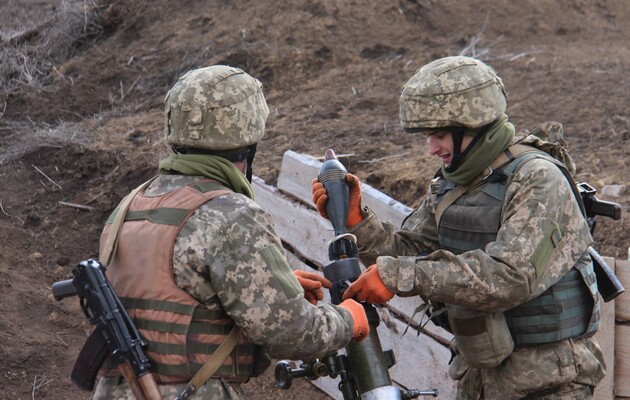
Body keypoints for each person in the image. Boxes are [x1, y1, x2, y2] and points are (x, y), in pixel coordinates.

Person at [311, 56, 606, 399]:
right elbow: (409, 251)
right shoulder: (457, 182)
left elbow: (509, 276)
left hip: (548, 382)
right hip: (478, 378)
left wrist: (398, 276)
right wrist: (357, 222)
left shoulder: (538, 179)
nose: (432, 148)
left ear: (473, 127)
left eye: (439, 136)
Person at [92, 65, 368, 399]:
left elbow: (171, 298)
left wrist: (270, 286)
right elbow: (292, 333)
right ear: (247, 140)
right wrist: (348, 319)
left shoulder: (131, 205)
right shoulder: (232, 214)